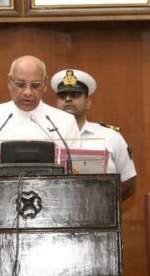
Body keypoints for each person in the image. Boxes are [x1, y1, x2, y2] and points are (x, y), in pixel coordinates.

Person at [0, 55, 81, 175]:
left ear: (45, 84)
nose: (28, 92)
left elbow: (78, 170)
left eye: (35, 85)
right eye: (20, 84)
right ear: (9, 82)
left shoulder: (65, 121)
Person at [50, 68, 137, 200]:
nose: (67, 99)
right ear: (57, 104)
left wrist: (106, 205)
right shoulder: (46, 137)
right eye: (62, 96)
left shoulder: (111, 136)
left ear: (88, 102)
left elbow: (129, 182)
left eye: (75, 95)